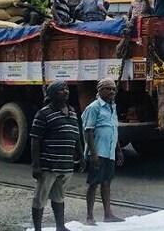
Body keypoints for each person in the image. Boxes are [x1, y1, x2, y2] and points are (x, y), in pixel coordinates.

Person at [30, 81, 82, 231]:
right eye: (61, 89)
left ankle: (60, 226)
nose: (66, 91)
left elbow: (76, 135)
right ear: (52, 94)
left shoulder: (72, 111)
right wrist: (36, 165)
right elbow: (35, 140)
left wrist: (80, 154)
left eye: (66, 89)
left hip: (66, 165)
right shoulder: (43, 114)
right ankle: (38, 229)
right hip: (48, 165)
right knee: (40, 199)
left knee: (59, 197)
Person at [81, 79, 125, 226]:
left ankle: (108, 214)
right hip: (98, 152)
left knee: (107, 182)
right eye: (108, 89)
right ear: (99, 91)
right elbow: (88, 131)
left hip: (109, 152)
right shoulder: (94, 108)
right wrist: (93, 154)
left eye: (113, 89)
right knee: (94, 183)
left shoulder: (112, 107)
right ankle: (89, 216)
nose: (112, 92)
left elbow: (114, 130)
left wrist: (118, 150)